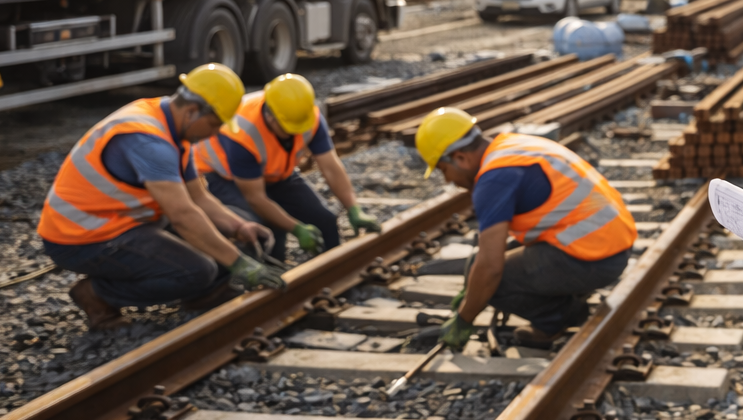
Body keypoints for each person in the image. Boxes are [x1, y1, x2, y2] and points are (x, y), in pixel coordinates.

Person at [38, 64, 284, 331]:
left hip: (126, 220)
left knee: (236, 232)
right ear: (192, 111)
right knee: (198, 270)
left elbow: (199, 198)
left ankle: (201, 295)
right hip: (81, 237)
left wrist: (239, 227)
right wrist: (239, 263)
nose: (215, 134)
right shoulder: (148, 142)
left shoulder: (173, 128)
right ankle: (97, 294)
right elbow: (182, 216)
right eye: (214, 124)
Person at [414, 108, 636, 351]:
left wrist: (464, 319)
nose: (448, 181)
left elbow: (490, 269)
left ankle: (557, 318)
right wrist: (471, 290)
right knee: (477, 270)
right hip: (607, 243)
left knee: (493, 282)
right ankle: (568, 297)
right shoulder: (512, 146)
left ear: (460, 158)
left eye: (443, 171)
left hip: (595, 259)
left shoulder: (493, 180)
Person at [194, 73, 380, 262]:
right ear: (271, 116)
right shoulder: (242, 132)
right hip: (226, 178)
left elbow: (331, 166)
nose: (295, 134)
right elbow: (256, 198)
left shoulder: (306, 116)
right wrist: (296, 228)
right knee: (267, 231)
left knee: (325, 221)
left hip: (276, 174)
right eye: (288, 129)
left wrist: (353, 208)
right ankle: (268, 281)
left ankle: (336, 273)